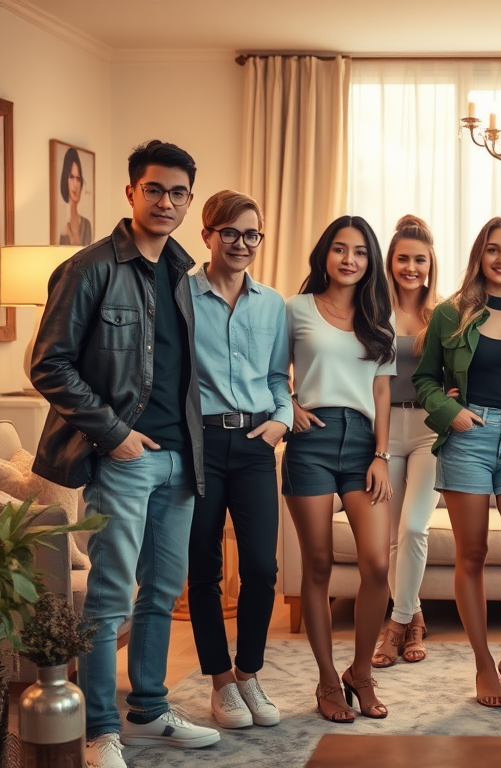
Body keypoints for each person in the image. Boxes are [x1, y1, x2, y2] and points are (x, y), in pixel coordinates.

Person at [31, 140, 219, 768]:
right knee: (111, 595)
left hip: (180, 458)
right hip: (123, 456)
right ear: (131, 191)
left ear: (189, 201)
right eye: (155, 189)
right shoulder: (90, 269)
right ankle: (99, 729)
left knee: (163, 591)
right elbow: (48, 364)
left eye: (178, 193)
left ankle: (149, 710)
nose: (166, 202)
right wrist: (115, 434)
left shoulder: (180, 273)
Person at [412, 215, 501, 708]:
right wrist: (452, 411)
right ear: (480, 256)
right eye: (493, 249)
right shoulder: (452, 315)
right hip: (469, 437)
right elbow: (425, 379)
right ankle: (483, 664)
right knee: (470, 555)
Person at [283, 215, 396, 722]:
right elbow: (267, 370)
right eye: (339, 249)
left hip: (362, 445)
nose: (349, 259)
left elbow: (382, 391)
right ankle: (328, 681)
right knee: (320, 564)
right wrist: (287, 405)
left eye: (360, 252)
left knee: (376, 564)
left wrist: (381, 454)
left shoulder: (379, 321)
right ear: (324, 255)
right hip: (309, 440)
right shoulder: (295, 309)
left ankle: (361, 673)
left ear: (370, 261)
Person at [187, 191, 292, 729]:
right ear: (207, 234)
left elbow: (278, 378)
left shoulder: (272, 303)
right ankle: (220, 682)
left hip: (255, 444)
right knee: (202, 569)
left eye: (252, 234)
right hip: (199, 444)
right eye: (230, 232)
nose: (242, 244)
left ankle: (250, 673)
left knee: (260, 567)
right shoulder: (180, 294)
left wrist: (282, 420)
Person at [372, 215, 441, 668]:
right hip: (384, 430)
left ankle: (395, 626)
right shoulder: (373, 311)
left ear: (431, 264)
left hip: (429, 432)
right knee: (394, 537)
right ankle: (414, 617)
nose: (411, 267)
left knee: (414, 527)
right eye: (403, 259)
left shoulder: (445, 315)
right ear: (390, 263)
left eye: (419, 259)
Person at [58, 146, 93, 246]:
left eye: (78, 178)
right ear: (65, 179)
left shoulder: (87, 225)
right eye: (71, 177)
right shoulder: (63, 226)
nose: (75, 184)